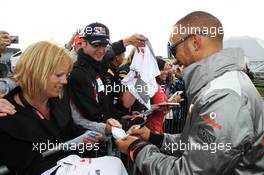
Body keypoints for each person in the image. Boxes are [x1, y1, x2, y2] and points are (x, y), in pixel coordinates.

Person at [115, 11, 264, 174]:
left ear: (194, 42)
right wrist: (153, 137)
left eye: (173, 49)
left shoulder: (222, 96)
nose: (175, 59)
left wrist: (135, 148)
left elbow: (189, 171)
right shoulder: (219, 85)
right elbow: (194, 144)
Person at [0, 41, 101, 174]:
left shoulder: (59, 99)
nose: (65, 81)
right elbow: (26, 165)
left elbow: (69, 129)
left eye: (67, 75)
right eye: (59, 75)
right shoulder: (6, 114)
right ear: (36, 73)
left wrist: (84, 134)